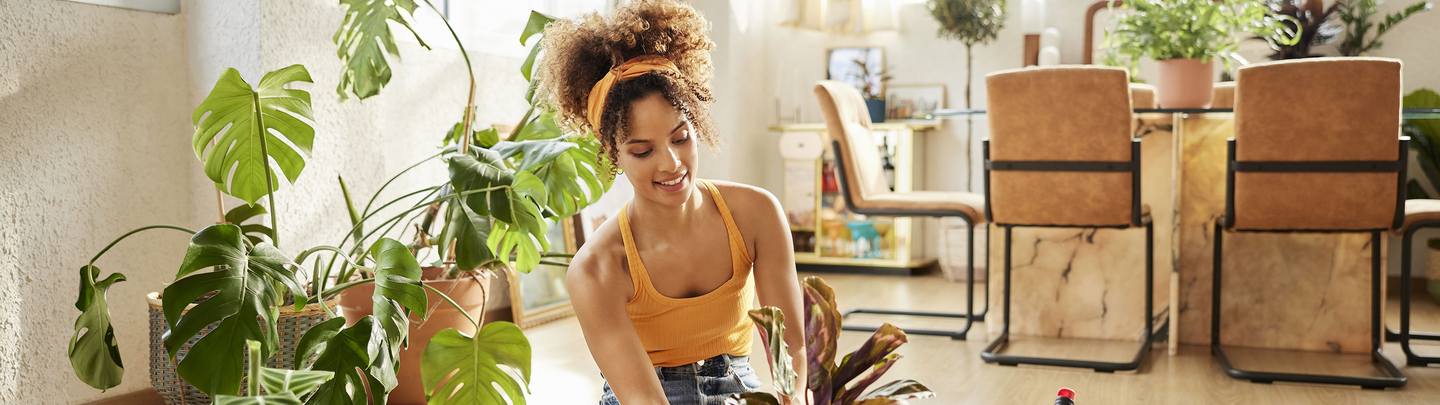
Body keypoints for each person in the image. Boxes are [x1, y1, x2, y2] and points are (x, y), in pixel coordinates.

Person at [536, 1, 808, 404]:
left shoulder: (756, 214)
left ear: (696, 125)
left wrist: (794, 399)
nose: (672, 163)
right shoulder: (598, 268)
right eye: (643, 151)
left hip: (741, 390)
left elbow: (795, 352)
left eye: (680, 138)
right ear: (613, 152)